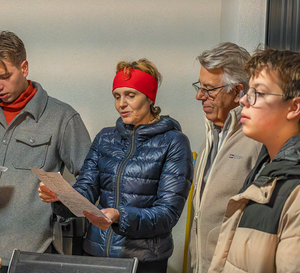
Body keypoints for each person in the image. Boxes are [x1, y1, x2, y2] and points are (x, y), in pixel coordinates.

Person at [38, 58, 193, 273]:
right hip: (96, 255)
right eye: (117, 96)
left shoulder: (174, 142)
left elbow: (167, 214)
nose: (121, 104)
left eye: (131, 95)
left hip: (143, 260)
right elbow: (86, 188)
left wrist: (120, 215)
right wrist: (61, 196)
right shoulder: (105, 138)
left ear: (149, 98)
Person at [0, 31, 91, 270]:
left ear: (25, 68)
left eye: (5, 76)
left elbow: (93, 180)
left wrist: (61, 197)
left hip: (31, 256)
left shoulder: (62, 118)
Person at [208, 48, 300, 273]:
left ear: (294, 107)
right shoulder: (265, 167)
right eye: (248, 91)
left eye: (258, 93)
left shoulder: (295, 189)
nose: (243, 101)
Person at [189, 42, 262, 273]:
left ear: (238, 91)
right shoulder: (211, 136)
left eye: (209, 89)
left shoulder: (257, 142)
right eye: (199, 87)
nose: (200, 96)